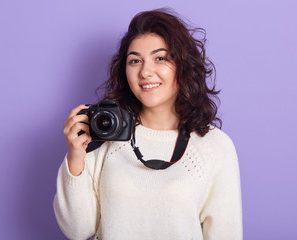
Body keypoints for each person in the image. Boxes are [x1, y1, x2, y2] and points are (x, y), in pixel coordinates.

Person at [54, 9, 242, 240]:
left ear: (183, 65)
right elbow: (78, 231)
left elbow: (226, 234)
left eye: (160, 58)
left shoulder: (215, 146)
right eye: (135, 61)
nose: (145, 72)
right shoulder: (104, 133)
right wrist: (75, 156)